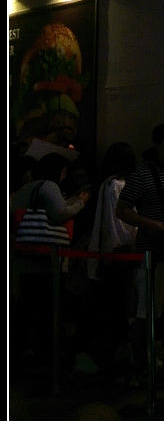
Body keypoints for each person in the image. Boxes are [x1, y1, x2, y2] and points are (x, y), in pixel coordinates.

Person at [117, 122, 164, 386]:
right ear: (158, 146)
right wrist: (151, 225)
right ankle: (143, 365)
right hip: (154, 254)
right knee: (148, 313)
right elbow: (122, 209)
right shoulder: (143, 175)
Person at [11, 154, 87, 373]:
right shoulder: (48, 186)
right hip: (45, 256)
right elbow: (59, 214)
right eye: (63, 172)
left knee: (26, 305)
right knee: (48, 306)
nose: (64, 176)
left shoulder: (26, 188)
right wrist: (80, 201)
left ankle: (20, 351)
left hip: (25, 253)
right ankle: (50, 356)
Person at [86, 142, 138, 375]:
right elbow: (116, 222)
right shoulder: (116, 185)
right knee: (118, 303)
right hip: (118, 252)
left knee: (107, 303)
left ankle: (107, 350)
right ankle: (118, 351)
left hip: (110, 251)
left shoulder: (108, 184)